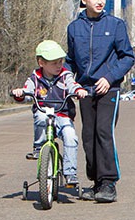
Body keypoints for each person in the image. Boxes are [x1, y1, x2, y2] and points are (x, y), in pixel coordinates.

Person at [66, 0, 135, 203]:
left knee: (103, 132)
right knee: (88, 136)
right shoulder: (74, 28)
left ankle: (109, 183)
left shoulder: (115, 25)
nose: (99, 1)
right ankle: (96, 182)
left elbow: (127, 56)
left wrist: (109, 77)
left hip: (109, 89)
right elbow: (70, 60)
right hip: (85, 90)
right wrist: (67, 80)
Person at [12, 40, 89, 190]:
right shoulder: (35, 78)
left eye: (60, 62)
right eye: (54, 63)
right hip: (44, 111)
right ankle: (39, 147)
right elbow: (27, 91)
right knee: (40, 118)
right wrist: (20, 93)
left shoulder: (65, 75)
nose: (59, 66)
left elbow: (73, 85)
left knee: (70, 136)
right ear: (41, 62)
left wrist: (78, 91)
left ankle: (70, 173)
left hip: (62, 114)